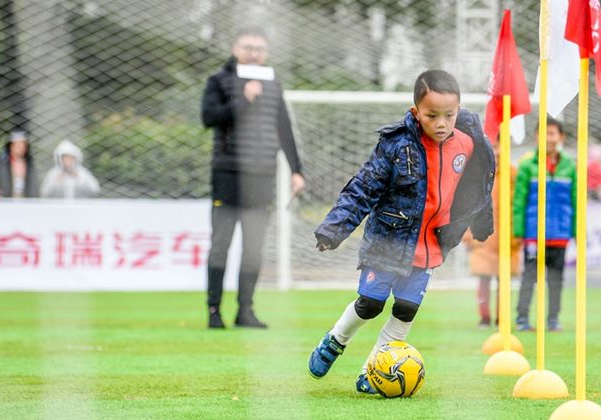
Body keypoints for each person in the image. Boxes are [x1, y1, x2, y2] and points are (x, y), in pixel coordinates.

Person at [307, 70, 495, 393]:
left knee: (407, 309)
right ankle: (335, 341)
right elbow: (363, 188)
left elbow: (477, 188)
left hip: (429, 246)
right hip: (388, 241)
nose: (441, 123)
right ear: (415, 112)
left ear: (459, 110)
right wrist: (334, 228)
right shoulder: (397, 146)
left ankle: (373, 371)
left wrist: (481, 223)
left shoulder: (468, 143)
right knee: (371, 303)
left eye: (449, 115)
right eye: (431, 115)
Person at [201, 25, 306, 329]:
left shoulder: (273, 84)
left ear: (266, 53)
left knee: (254, 248)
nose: (253, 53)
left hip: (262, 176)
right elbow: (209, 118)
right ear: (235, 48)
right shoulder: (219, 80)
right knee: (221, 244)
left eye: (259, 48)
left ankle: (245, 310)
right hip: (227, 174)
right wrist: (243, 100)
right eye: (248, 47)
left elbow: (284, 128)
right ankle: (213, 311)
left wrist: (296, 170)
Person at [512, 118, 576, 332]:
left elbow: (575, 200)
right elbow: (519, 200)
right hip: (533, 233)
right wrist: (519, 230)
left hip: (559, 233)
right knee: (529, 278)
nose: (548, 138)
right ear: (536, 137)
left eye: (552, 134)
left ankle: (553, 319)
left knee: (556, 279)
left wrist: (575, 230)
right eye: (544, 134)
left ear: (561, 137)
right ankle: (522, 318)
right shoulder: (528, 165)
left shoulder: (569, 166)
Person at [462, 137, 521, 328]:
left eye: (499, 146)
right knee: (484, 280)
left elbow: (518, 205)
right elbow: (467, 208)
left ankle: (502, 317)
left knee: (504, 282)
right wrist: (468, 235)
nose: (496, 151)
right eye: (493, 147)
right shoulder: (476, 175)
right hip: (483, 238)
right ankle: (484, 317)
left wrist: (517, 234)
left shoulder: (513, 174)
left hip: (507, 238)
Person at [0, 131, 38, 199]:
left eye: (23, 146)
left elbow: (34, 183)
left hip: (24, 200)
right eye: (18, 146)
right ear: (11, 146)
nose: (22, 148)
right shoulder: (1, 162)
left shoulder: (29, 162)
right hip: (5, 200)